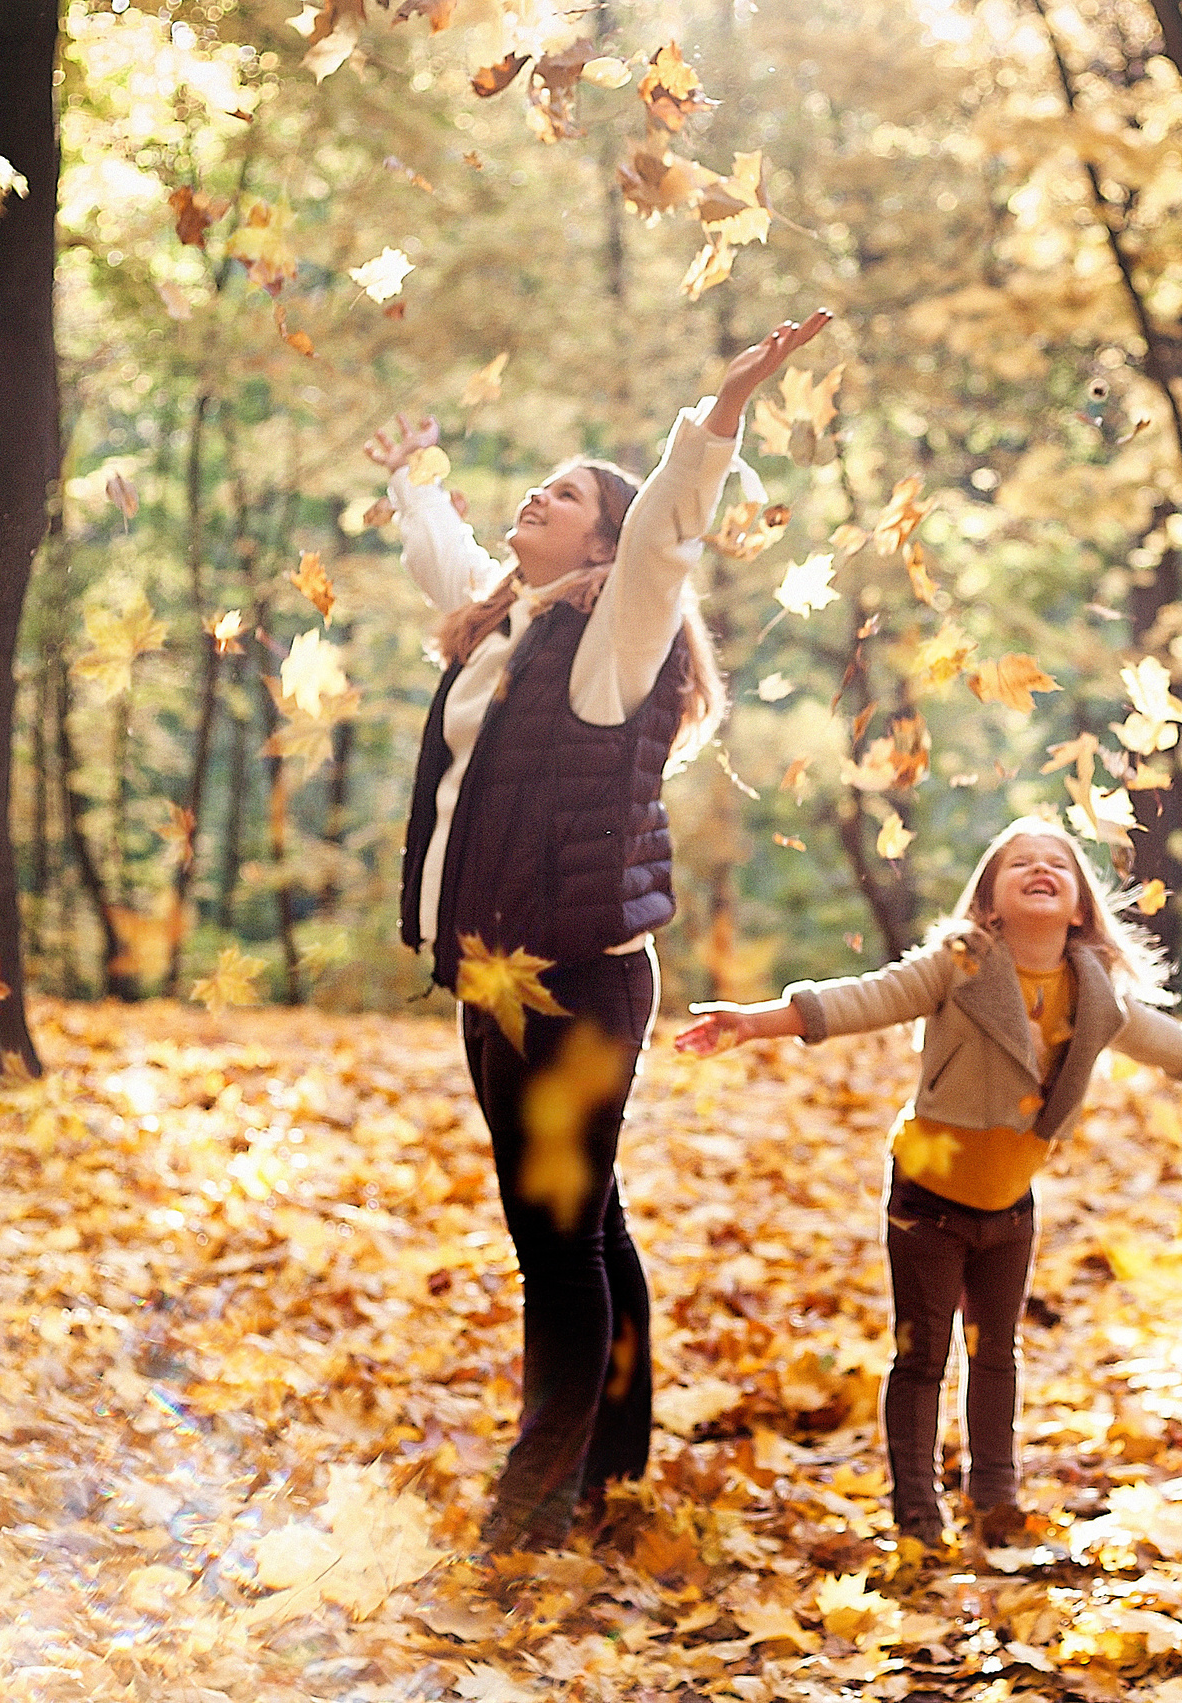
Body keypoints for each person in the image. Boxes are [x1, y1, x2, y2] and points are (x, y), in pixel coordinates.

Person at [365, 311, 832, 1553]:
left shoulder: (612, 640)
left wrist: (719, 416)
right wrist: (417, 477)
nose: (538, 494)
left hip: (579, 985)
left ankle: (532, 1509)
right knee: (589, 1218)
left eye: (564, 493)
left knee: (553, 1237)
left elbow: (673, 530)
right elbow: (445, 555)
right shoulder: (506, 621)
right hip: (492, 977)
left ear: (605, 538)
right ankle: (613, 1467)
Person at [675, 816, 1182, 1553]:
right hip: (928, 1197)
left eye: (1057, 865)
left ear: (1078, 907)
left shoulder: (1094, 989)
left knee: (996, 1350)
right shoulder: (960, 962)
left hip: (1010, 1203)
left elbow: (1151, 1033)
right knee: (921, 1356)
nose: (1040, 868)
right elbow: (870, 996)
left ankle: (995, 1496)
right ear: (989, 901)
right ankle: (917, 1510)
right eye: (1019, 864)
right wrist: (759, 1021)